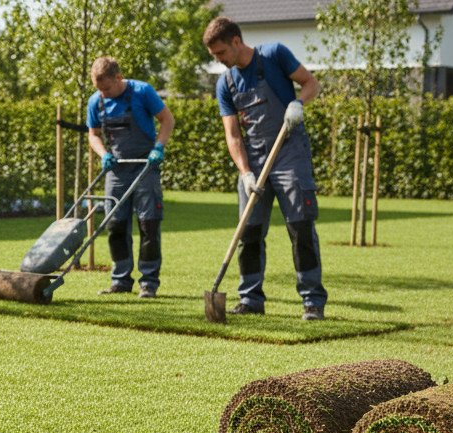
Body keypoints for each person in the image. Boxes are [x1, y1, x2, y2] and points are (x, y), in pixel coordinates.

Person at [203, 17, 327, 321]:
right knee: (250, 230)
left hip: (290, 153)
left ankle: (312, 300)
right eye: (214, 56)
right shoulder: (226, 83)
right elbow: (233, 135)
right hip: (255, 159)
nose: (218, 61)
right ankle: (251, 297)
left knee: (300, 226)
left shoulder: (274, 55)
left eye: (220, 53)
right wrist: (245, 172)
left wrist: (298, 103)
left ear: (235, 41)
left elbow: (311, 83)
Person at [86, 56, 175, 299]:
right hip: (116, 169)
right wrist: (103, 153)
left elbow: (167, 120)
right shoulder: (96, 102)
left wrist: (159, 147)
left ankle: (149, 283)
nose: (103, 93)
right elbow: (93, 135)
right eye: (99, 89)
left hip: (145, 165)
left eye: (106, 88)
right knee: (114, 225)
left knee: (148, 223)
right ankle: (121, 280)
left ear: (118, 78)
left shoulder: (142, 91)